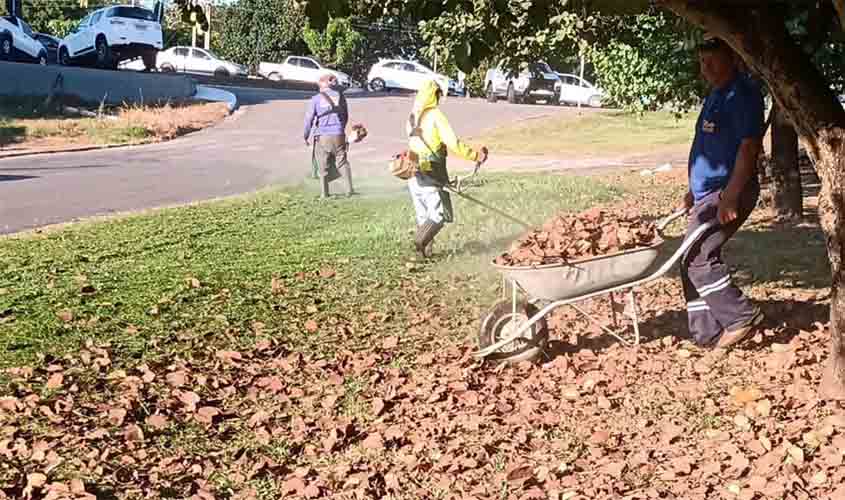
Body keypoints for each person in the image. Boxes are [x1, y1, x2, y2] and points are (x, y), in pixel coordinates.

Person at [680, 34, 765, 349]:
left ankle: (740, 317)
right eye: (702, 61)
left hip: (728, 191)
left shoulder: (743, 94)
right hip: (706, 193)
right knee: (690, 258)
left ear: (733, 58)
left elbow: (748, 147)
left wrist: (731, 195)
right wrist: (691, 188)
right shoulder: (716, 95)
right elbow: (704, 147)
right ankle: (708, 334)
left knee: (699, 258)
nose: (707, 67)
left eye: (713, 59)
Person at [407, 79, 488, 258]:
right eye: (439, 94)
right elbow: (453, 142)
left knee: (423, 215)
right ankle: (419, 243)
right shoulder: (435, 115)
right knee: (438, 215)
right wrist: (475, 156)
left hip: (413, 171)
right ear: (434, 95)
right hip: (430, 171)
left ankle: (425, 254)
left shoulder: (413, 115)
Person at [304, 73, 354, 198]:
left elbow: (309, 119)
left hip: (323, 136)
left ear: (322, 84)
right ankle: (349, 190)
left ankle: (324, 194)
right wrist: (340, 129)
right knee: (342, 161)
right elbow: (345, 115)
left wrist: (305, 135)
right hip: (338, 133)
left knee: (322, 163)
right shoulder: (341, 97)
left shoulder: (316, 99)